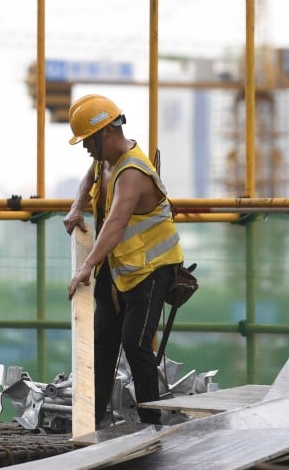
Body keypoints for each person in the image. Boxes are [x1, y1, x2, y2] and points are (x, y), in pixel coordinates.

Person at [63, 94, 183, 428]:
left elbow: (116, 222)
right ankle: (93, 421)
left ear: (106, 133)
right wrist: (77, 206)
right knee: (103, 342)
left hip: (151, 270)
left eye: (88, 141)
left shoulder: (132, 171)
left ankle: (151, 424)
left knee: (136, 344)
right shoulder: (107, 159)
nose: (86, 148)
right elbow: (90, 177)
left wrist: (87, 266)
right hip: (119, 269)